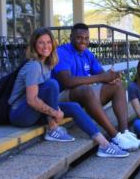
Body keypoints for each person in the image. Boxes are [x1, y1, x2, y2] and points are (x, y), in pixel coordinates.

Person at [9, 27, 128, 157]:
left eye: (49, 42)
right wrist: (54, 112)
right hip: (20, 114)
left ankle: (104, 145)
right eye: (41, 43)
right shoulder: (34, 66)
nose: (46, 46)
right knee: (52, 84)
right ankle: (53, 129)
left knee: (74, 107)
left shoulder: (47, 64)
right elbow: (32, 100)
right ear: (34, 45)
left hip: (35, 112)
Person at [52, 23, 140, 152]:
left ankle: (124, 132)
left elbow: (101, 74)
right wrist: (102, 78)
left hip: (84, 94)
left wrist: (112, 76)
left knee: (117, 85)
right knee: (85, 89)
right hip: (62, 97)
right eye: (79, 37)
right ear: (71, 37)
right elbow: (67, 82)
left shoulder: (87, 54)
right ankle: (115, 136)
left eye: (86, 38)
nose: (83, 41)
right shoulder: (62, 52)